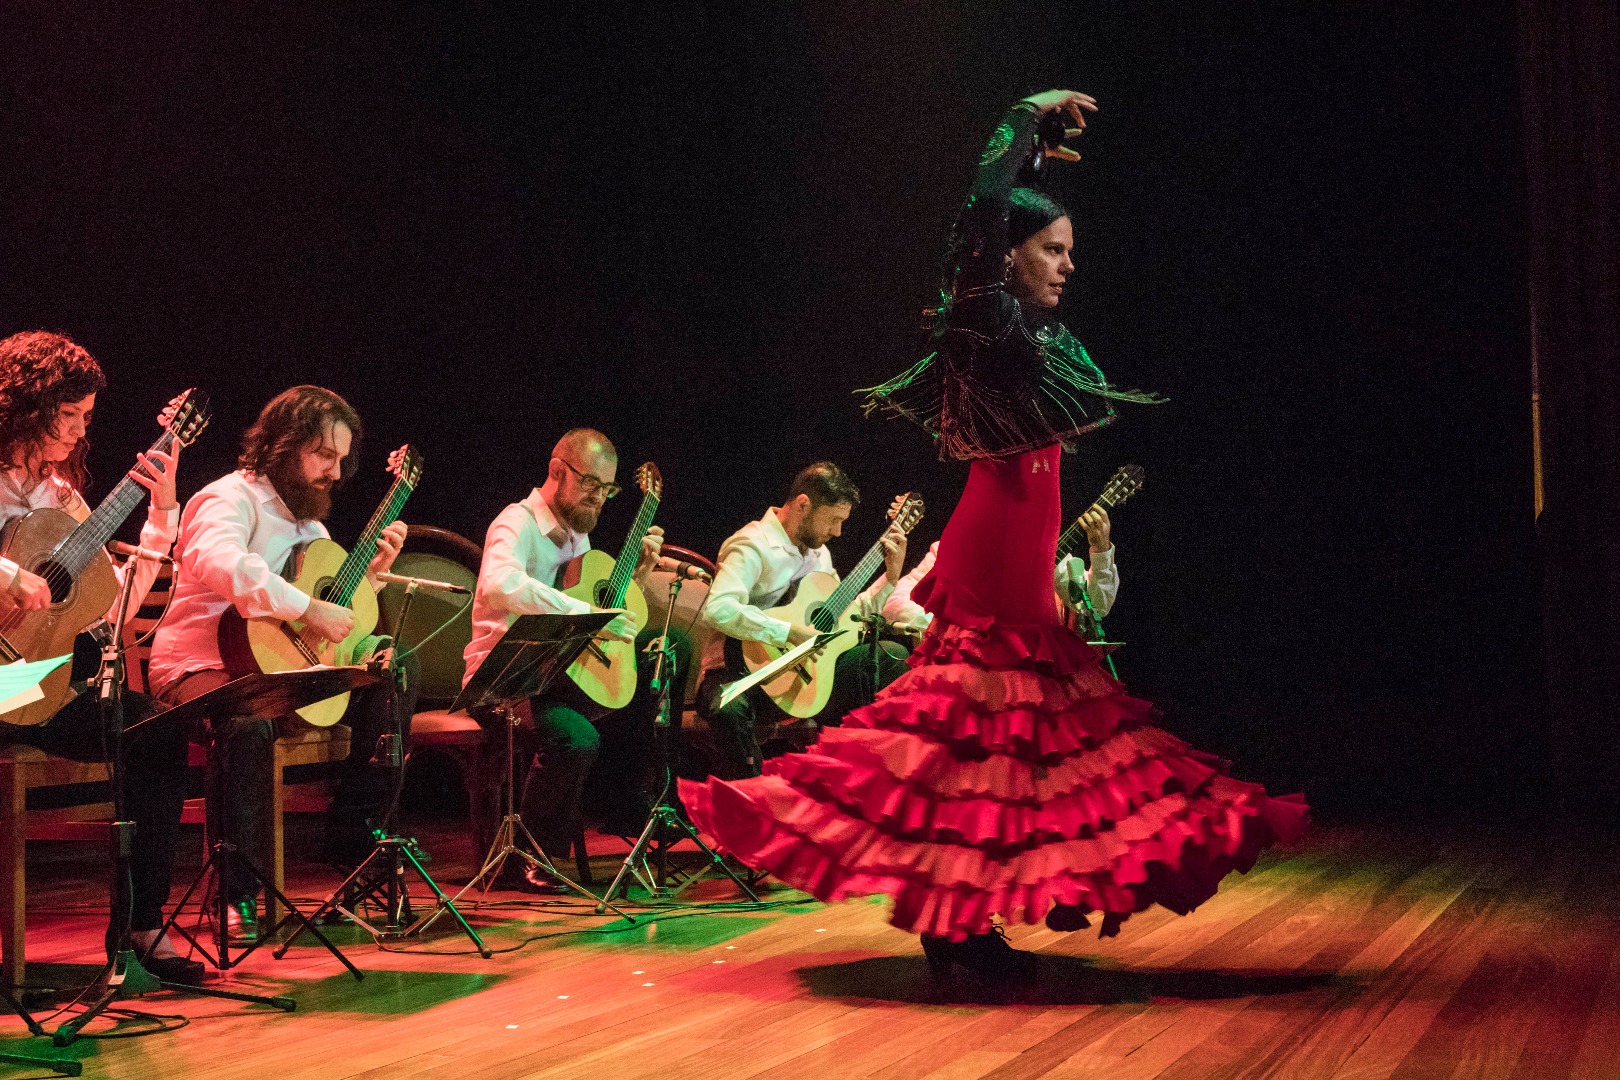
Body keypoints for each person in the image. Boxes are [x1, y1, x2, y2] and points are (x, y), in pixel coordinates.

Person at [680, 90, 1306, 987]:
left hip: (1019, 550)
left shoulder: (1021, 330)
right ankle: (953, 923)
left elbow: (1000, 227)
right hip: (992, 552)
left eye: (1070, 252)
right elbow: (979, 222)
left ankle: (969, 917)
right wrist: (1018, 130)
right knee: (971, 744)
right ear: (1004, 260)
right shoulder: (985, 321)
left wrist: (1038, 172)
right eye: (1051, 250)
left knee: (1016, 750)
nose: (1066, 266)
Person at [147, 385, 414, 943]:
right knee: (247, 720)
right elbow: (221, 562)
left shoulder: (312, 529)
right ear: (283, 445)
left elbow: (329, 629)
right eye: (324, 455)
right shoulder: (227, 499)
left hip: (281, 675)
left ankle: (354, 842)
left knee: (393, 673)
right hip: (196, 667)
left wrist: (367, 583)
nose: (335, 472)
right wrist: (306, 606)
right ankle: (237, 893)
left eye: (342, 460)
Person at [0, 330, 201, 982]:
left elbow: (109, 611)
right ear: (29, 405)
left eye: (88, 417)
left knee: (155, 731)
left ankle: (140, 926)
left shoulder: (63, 499)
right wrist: (6, 575)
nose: (81, 430)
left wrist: (163, 511)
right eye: (71, 415)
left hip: (41, 688)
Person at [460, 428, 662, 890]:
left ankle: (631, 809)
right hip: (503, 678)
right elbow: (498, 585)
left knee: (646, 687)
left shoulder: (576, 535)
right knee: (576, 738)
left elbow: (588, 599)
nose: (600, 499)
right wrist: (585, 612)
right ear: (557, 471)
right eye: (592, 484)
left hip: (553, 675)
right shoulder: (515, 522)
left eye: (608, 490)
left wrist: (638, 575)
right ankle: (528, 856)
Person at [695, 462, 907, 780]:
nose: (838, 531)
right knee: (727, 707)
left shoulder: (818, 554)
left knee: (889, 656)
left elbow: (843, 618)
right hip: (737, 673)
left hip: (803, 678)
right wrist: (787, 633)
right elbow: (719, 609)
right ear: (804, 504)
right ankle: (753, 804)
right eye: (834, 520)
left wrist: (890, 579)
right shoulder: (752, 545)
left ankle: (847, 778)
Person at [884, 500, 1118, 640]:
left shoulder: (1050, 559)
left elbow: (1096, 606)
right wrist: (956, 629)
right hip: (963, 669)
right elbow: (895, 602)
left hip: (1030, 673)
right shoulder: (950, 550)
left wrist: (1100, 550)